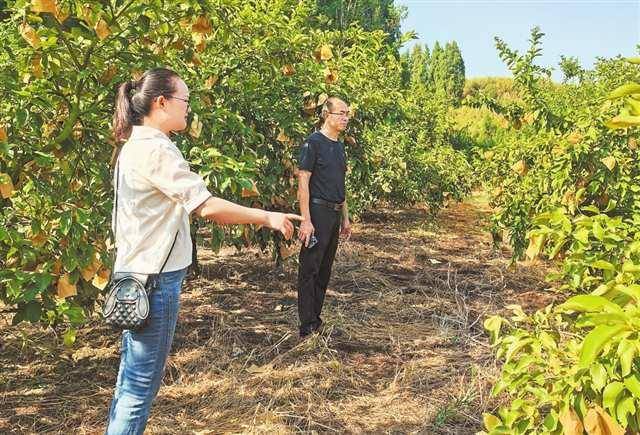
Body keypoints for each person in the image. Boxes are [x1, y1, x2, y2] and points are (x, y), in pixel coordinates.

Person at [105, 67, 302, 434]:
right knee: (138, 390)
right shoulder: (156, 150)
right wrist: (267, 217)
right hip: (154, 283)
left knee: (129, 381)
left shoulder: (136, 144)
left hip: (136, 276)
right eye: (185, 100)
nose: (188, 109)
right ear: (162, 102)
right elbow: (206, 206)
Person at [296, 97, 352, 338]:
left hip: (334, 213)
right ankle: (306, 325)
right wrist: (306, 220)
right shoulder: (313, 144)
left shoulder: (339, 147)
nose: (345, 117)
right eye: (341, 113)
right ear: (326, 115)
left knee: (325, 270)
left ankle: (316, 320)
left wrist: (346, 218)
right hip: (317, 213)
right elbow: (303, 183)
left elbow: (341, 184)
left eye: (347, 113)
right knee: (310, 269)